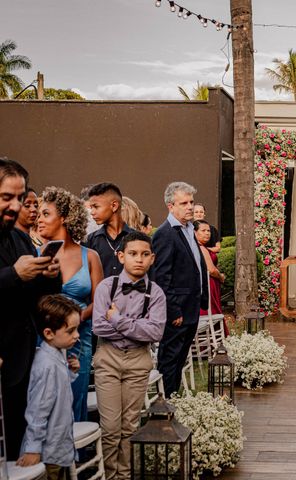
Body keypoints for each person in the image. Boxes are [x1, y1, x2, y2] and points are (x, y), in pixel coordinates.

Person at [92, 231, 167, 480]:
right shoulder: (107, 286)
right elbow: (98, 327)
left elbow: (155, 332)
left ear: (152, 259)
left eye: (145, 255)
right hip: (108, 359)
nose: (139, 259)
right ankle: (110, 475)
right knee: (111, 427)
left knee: (129, 425)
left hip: (138, 361)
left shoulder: (155, 294)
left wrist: (118, 319)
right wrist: (135, 327)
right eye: (133, 254)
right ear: (121, 256)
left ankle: (124, 475)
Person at [0, 158, 61, 460]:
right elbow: (14, 279)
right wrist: (13, 275)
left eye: (20, 198)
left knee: (16, 445)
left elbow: (38, 298)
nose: (15, 206)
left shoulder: (20, 238)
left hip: (22, 361)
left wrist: (50, 276)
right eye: (6, 197)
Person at [38, 186, 103, 422]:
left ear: (64, 218)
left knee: (76, 398)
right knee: (46, 400)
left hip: (79, 338)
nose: (39, 220)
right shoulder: (33, 255)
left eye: (46, 214)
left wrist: (74, 321)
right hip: (44, 340)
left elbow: (99, 301)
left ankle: (76, 454)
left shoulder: (90, 256)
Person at [152, 182, 208, 397]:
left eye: (191, 202)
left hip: (191, 309)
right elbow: (161, 278)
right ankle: (164, 408)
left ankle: (174, 402)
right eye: (183, 203)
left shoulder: (189, 230)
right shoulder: (165, 234)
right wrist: (173, 311)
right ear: (170, 206)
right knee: (170, 360)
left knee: (181, 358)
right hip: (177, 313)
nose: (190, 207)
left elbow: (195, 267)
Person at [16, 295, 81, 479]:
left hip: (59, 446)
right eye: (71, 331)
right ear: (48, 333)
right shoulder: (46, 365)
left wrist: (71, 371)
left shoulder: (57, 354)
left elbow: (58, 390)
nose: (77, 335)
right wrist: (33, 448)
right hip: (47, 451)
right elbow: (38, 410)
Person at [85, 182, 135, 278]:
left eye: (96, 207)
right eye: (91, 208)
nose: (92, 212)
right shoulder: (90, 241)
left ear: (114, 206)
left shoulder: (138, 239)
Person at [194, 220, 229, 336]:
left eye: (208, 230)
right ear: (195, 232)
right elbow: (211, 270)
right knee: (210, 311)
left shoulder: (200, 247)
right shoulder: (201, 249)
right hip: (209, 284)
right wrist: (221, 276)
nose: (207, 233)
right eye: (203, 230)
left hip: (210, 284)